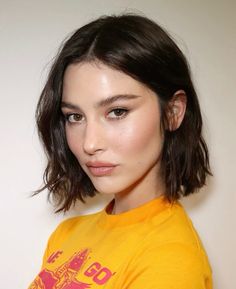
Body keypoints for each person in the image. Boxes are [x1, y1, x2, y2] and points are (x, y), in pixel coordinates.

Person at [28, 13, 213, 289]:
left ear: (173, 112)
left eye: (117, 111)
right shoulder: (67, 234)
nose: (89, 143)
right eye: (74, 117)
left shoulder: (170, 258)